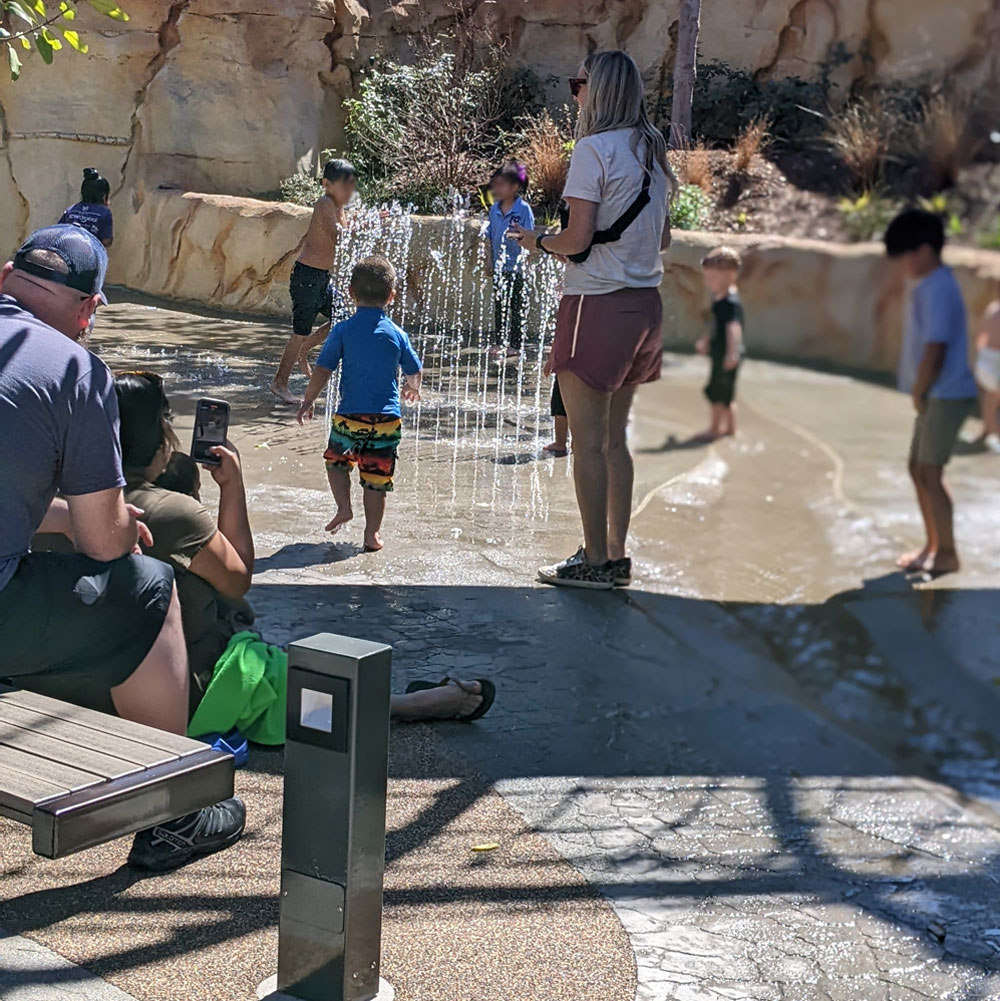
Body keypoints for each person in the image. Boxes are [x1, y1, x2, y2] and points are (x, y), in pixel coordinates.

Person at [0, 225, 244, 872]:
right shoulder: (76, 367)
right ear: (88, 309)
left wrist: (55, 517)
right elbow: (108, 546)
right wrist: (97, 522)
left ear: (5, 276)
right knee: (147, 588)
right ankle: (172, 813)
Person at [114, 373, 494, 727]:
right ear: (157, 436)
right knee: (302, 696)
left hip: (106, 680)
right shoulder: (171, 513)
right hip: (187, 691)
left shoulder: (73, 502)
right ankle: (404, 706)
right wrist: (233, 486)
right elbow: (238, 578)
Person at [510, 50, 676, 590]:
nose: (573, 92)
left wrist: (538, 241)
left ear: (597, 90)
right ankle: (616, 555)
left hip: (595, 305)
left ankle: (595, 562)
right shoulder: (652, 149)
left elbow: (577, 240)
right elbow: (664, 238)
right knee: (615, 440)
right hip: (644, 305)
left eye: (577, 83)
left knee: (586, 441)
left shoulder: (593, 149)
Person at [297, 256, 422, 553]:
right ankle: (372, 534)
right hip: (386, 421)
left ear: (351, 293)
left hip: (350, 417)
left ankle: (343, 507)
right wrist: (412, 388)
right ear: (391, 296)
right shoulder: (397, 334)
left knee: (336, 463)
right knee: (376, 480)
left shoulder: (342, 330)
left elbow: (323, 369)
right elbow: (414, 370)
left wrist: (308, 400)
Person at [885, 208, 978, 576]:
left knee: (930, 471)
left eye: (906, 254)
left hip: (946, 393)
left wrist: (920, 389)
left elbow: (935, 348)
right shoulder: (930, 285)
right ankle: (932, 544)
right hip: (935, 394)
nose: (903, 263)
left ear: (923, 249)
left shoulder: (939, 286)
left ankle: (948, 553)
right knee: (918, 469)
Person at [270, 158, 357, 405]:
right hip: (307, 276)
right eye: (344, 186)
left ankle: (306, 348)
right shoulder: (324, 204)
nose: (349, 191)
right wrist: (364, 225)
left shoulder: (339, 208)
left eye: (351, 186)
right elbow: (338, 236)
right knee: (299, 331)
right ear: (327, 184)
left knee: (342, 317)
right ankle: (279, 382)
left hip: (321, 278)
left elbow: (346, 234)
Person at [483, 161, 535, 360]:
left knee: (516, 305)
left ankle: (515, 344)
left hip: (518, 267)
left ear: (514, 187)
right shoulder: (494, 209)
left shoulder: (523, 209)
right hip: (499, 265)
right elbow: (488, 236)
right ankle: (499, 342)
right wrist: (489, 260)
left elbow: (529, 236)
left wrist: (527, 262)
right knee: (499, 304)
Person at [694, 246, 745, 439]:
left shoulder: (730, 303)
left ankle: (715, 429)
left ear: (730, 275)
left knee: (717, 392)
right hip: (723, 352)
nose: (707, 283)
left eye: (712, 278)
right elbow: (716, 325)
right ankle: (731, 429)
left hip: (726, 354)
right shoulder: (721, 297)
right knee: (727, 393)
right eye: (706, 277)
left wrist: (732, 352)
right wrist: (706, 340)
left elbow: (733, 328)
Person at [59, 168, 114, 248]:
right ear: (104, 196)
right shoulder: (104, 212)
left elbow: (58, 230)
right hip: (87, 254)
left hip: (65, 250)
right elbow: (106, 241)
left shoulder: (72, 209)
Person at [974, 298, 1000, 453]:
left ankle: (987, 432)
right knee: (992, 399)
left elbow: (981, 335)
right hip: (994, 360)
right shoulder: (994, 307)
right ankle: (990, 432)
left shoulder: (992, 307)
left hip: (986, 358)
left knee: (991, 399)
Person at [543, 375, 570, 457]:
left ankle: (560, 443)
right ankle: (578, 442)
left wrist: (553, 362)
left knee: (560, 403)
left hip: (569, 369)